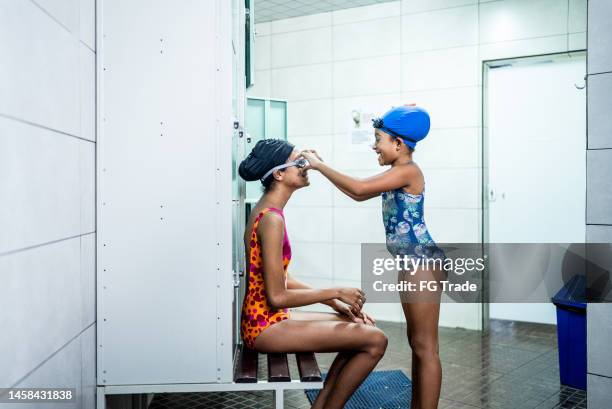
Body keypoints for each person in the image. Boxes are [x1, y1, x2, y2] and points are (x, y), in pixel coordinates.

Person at [300, 105, 443, 409]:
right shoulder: (396, 171)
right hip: (413, 264)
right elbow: (360, 190)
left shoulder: (408, 170)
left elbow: (359, 190)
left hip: (422, 264)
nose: (373, 145)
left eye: (378, 138)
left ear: (398, 144)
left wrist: (318, 166)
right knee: (418, 346)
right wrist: (322, 164)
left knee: (425, 347)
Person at [238, 138, 388, 409]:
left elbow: (281, 279)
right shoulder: (271, 219)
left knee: (360, 324)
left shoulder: (268, 211)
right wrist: (335, 291)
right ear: (279, 174)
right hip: (264, 326)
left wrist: (335, 303)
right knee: (376, 340)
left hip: (266, 318)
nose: (305, 167)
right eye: (298, 162)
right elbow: (277, 297)